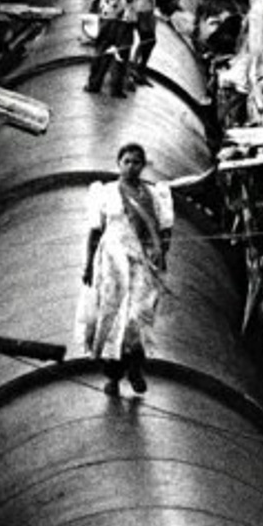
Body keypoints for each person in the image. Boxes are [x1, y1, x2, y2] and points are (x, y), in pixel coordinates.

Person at [80, 142, 174, 396]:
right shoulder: (106, 193)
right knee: (112, 320)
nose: (131, 167)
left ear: (143, 165)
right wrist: (88, 266)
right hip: (112, 263)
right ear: (119, 164)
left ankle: (135, 369)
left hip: (143, 263)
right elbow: (95, 232)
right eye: (127, 162)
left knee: (137, 319)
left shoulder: (155, 195)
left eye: (136, 162)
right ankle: (113, 376)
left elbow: (165, 230)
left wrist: (161, 255)